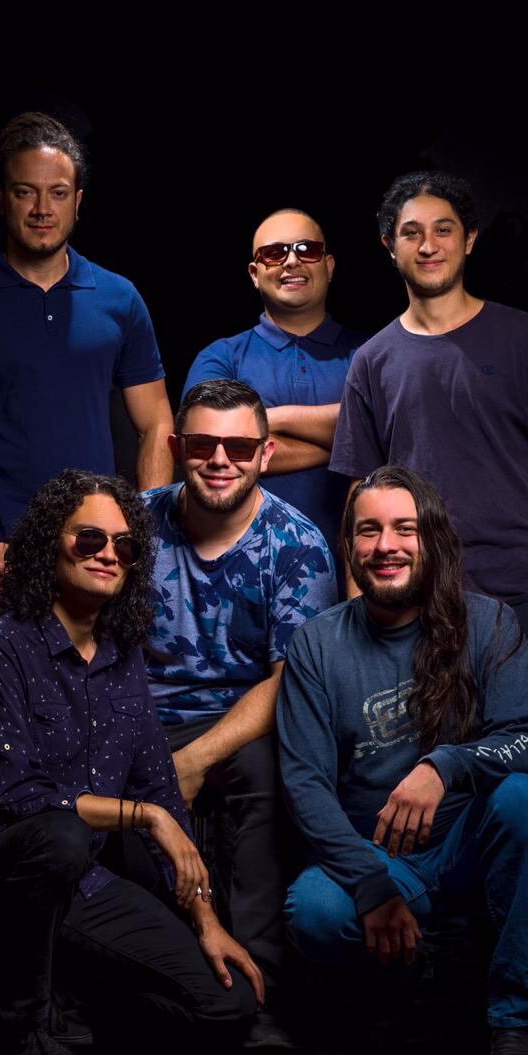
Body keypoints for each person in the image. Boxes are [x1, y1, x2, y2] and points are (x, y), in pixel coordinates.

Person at [329, 170, 528, 1027]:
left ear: (469, 240)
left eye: (443, 229)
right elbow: (359, 496)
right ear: (389, 247)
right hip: (417, 612)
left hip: (516, 604)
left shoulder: (519, 336)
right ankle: (445, 974)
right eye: (411, 231)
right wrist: (360, 613)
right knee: (426, 794)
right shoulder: (373, 360)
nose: (429, 244)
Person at [0, 469, 262, 1055]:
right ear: (49, 544)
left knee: (228, 1003)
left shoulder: (122, 658)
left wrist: (206, 921)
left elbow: (159, 787)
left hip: (81, 882)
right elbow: (18, 798)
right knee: (61, 833)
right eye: (89, 539)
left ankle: (71, 993)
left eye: (124, 546)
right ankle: (14, 1031)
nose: (108, 554)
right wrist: (144, 818)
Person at [278, 467, 528, 1055]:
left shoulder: (490, 622)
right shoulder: (317, 645)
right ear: (349, 545)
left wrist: (446, 765)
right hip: (379, 857)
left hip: (469, 849)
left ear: (431, 538)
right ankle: (429, 973)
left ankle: (516, 1020)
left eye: (404, 528)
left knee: (524, 800)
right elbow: (305, 786)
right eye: (369, 530)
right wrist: (371, 885)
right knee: (315, 911)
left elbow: (527, 741)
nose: (386, 546)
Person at [0, 112, 174, 650]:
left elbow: (157, 423)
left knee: (100, 703)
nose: (42, 209)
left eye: (58, 193)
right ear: (1, 198)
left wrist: (136, 540)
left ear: (79, 201)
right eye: (26, 192)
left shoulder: (118, 299)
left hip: (96, 561)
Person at [143, 378, 337, 1011]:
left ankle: (260, 990)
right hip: (143, 714)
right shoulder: (134, 525)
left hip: (244, 720)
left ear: (265, 454)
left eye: (239, 447)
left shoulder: (298, 545)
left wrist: (195, 760)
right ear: (177, 448)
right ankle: (126, 980)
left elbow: (289, 682)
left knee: (267, 771)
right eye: (202, 444)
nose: (219, 460)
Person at [183, 209, 363, 566]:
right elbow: (213, 454)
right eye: (274, 253)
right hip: (238, 570)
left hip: (352, 570)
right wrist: (351, 449)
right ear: (255, 273)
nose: (292, 261)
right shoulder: (221, 358)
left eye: (307, 249)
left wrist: (271, 420)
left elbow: (390, 434)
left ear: (329, 266)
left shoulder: (370, 355)